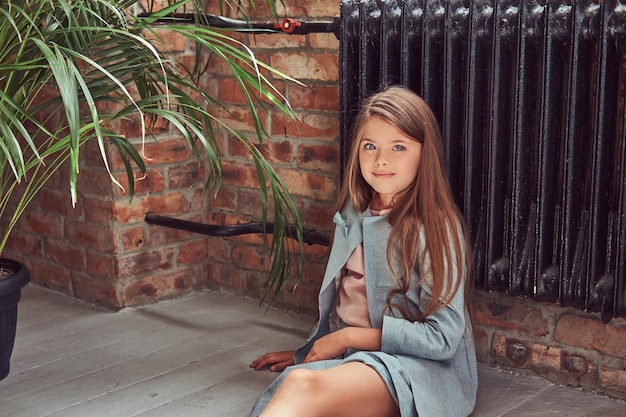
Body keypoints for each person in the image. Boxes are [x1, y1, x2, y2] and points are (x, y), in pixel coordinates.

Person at [248, 86, 477, 417]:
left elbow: (442, 340)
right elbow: (346, 302)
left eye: (398, 147)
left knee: (300, 386)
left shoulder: (436, 227)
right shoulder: (354, 210)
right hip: (355, 357)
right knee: (297, 381)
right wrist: (313, 350)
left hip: (413, 368)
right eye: (370, 146)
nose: (381, 160)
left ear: (424, 154)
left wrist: (347, 339)